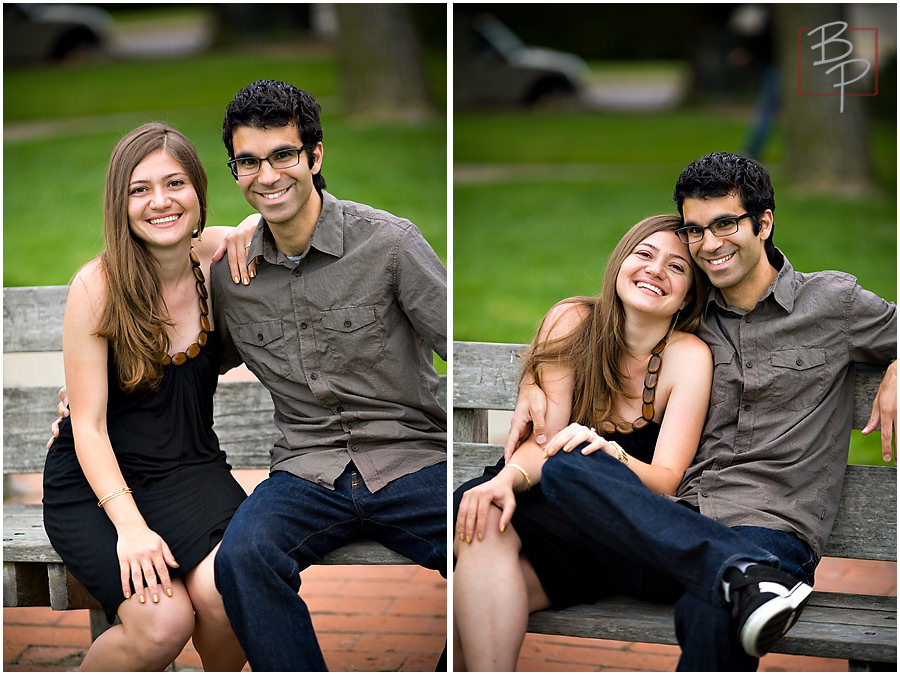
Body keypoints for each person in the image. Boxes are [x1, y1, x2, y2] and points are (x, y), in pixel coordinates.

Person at [505, 152, 897, 670]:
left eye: (725, 224)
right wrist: (536, 374)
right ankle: (741, 576)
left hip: (771, 529)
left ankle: (742, 577)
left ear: (764, 222)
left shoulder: (832, 303)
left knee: (711, 608)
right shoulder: (684, 315)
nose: (709, 245)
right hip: (674, 523)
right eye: (695, 230)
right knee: (567, 465)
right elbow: (590, 324)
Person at [208, 80, 447, 671]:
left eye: (284, 155)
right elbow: (178, 366)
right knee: (242, 558)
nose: (267, 176)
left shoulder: (389, 244)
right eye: (249, 162)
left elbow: (463, 354)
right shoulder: (231, 276)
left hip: (410, 461)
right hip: (306, 472)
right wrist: (89, 390)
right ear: (235, 172)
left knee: (493, 544)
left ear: (315, 157)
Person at [453, 214, 713, 671]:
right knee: (482, 515)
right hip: (542, 512)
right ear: (619, 264)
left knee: (472, 604)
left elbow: (668, 481)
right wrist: (508, 479)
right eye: (645, 254)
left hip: (614, 532)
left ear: (688, 296)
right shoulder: (574, 319)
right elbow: (545, 441)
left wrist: (610, 452)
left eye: (677, 268)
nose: (655, 270)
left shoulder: (688, 357)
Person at [42, 122, 258, 671]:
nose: (160, 202)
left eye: (175, 183)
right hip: (99, 483)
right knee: (163, 624)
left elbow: (272, 222)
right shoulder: (97, 287)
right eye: (140, 189)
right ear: (121, 202)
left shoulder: (215, 263)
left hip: (191, 469)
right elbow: (87, 427)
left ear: (199, 193)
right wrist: (131, 529)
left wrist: (253, 220)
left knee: (227, 593)